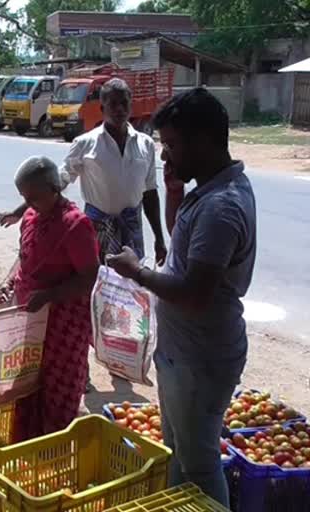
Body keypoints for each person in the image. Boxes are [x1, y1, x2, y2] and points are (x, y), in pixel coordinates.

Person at [106, 88, 256, 507]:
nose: (165, 158)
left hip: (200, 356)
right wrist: (173, 195)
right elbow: (184, 250)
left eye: (171, 146)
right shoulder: (208, 191)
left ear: (204, 140)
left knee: (199, 463)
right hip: (184, 352)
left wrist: (138, 271)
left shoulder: (221, 206)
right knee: (177, 451)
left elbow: (194, 294)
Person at [0, 78, 166, 265]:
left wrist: (159, 238)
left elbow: (150, 192)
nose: (119, 109)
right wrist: (19, 211)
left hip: (132, 228)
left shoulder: (145, 144)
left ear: (130, 106)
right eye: (113, 104)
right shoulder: (85, 144)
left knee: (131, 286)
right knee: (94, 283)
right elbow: (59, 181)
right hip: (96, 227)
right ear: (102, 109)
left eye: (124, 103)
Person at [0, 156, 100, 442]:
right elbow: (23, 257)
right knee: (27, 386)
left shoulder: (75, 225)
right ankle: (26, 445)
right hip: (31, 319)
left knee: (59, 390)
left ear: (55, 188)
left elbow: (90, 277)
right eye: (24, 198)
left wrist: (50, 295)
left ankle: (54, 452)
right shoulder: (30, 216)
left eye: (35, 197)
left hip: (64, 323)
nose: (29, 204)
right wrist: (8, 283)